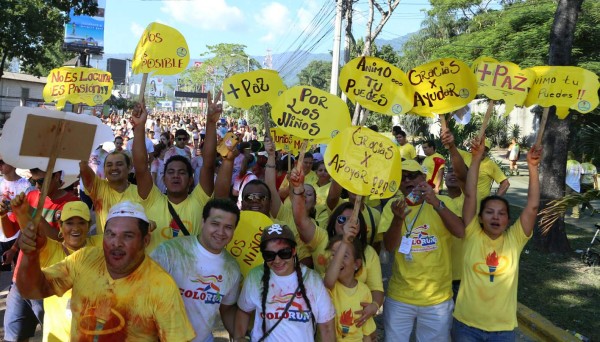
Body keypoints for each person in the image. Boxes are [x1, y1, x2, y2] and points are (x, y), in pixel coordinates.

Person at [16, 201, 196, 341]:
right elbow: (31, 290)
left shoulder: (162, 286)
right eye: (110, 234)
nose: (116, 242)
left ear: (146, 240)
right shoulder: (84, 259)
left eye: (128, 235)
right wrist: (30, 255)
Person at [452, 139, 542, 340]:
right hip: (466, 326)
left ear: (508, 220)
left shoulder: (514, 239)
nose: (495, 217)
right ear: (480, 218)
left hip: (503, 331)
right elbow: (470, 194)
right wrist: (475, 159)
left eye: (501, 213)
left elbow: (532, 207)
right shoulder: (472, 233)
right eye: (490, 212)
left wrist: (533, 167)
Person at [379, 159, 465, 342]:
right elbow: (389, 246)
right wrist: (397, 219)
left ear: (424, 178)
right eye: (402, 178)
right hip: (400, 296)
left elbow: (460, 231)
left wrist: (435, 203)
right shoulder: (392, 206)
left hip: (437, 299)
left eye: (412, 176)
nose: (407, 181)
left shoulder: (444, 201)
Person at [131, 94, 220, 252]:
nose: (176, 176)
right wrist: (139, 127)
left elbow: (208, 165)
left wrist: (211, 123)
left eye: (182, 172)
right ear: (163, 179)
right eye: (170, 172)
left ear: (191, 180)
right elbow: (141, 168)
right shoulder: (152, 200)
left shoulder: (199, 200)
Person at [151, 198, 242, 342]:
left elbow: (227, 309)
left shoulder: (232, 269)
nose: (221, 232)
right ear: (203, 221)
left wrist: (240, 337)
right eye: (215, 224)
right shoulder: (169, 251)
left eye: (228, 227)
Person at [11, 199, 101, 341]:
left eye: (81, 222)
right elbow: (30, 236)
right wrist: (22, 214)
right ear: (60, 225)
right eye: (69, 223)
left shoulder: (100, 245)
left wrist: (148, 225)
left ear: (89, 225)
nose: (75, 228)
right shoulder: (50, 249)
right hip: (57, 337)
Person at [234, 224, 335, 342]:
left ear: (294, 251)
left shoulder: (312, 279)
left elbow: (327, 327)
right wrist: (239, 337)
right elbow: (243, 311)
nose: (277, 260)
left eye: (284, 253)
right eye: (269, 255)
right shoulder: (255, 277)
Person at [324, 225, 376, 341]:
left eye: (344, 255)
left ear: (356, 264)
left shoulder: (364, 291)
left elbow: (367, 330)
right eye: (334, 255)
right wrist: (344, 242)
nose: (337, 260)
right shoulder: (330, 286)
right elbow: (329, 280)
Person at [80, 150, 140, 233]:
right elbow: (83, 166)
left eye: (119, 164)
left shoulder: (140, 193)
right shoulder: (98, 188)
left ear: (129, 167)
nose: (114, 168)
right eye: (109, 165)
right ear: (104, 169)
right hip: (104, 245)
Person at [0, 159, 32, 270]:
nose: (0, 165)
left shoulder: (26, 186)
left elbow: (28, 220)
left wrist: (14, 248)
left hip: (17, 236)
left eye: (2, 162)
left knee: (18, 274)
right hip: (1, 236)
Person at [566, 152, 583, 219]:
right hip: (576, 185)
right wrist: (579, 182)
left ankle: (561, 213)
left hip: (567, 183)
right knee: (575, 200)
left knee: (564, 199)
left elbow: (564, 173)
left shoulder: (567, 163)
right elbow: (582, 174)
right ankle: (576, 214)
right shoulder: (578, 163)